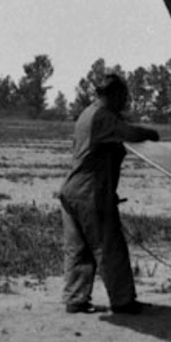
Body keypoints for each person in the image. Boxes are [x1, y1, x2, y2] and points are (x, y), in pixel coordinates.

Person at [59, 74, 160, 314]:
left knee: (78, 249)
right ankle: (123, 301)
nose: (125, 102)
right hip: (89, 193)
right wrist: (151, 133)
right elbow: (131, 133)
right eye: (123, 97)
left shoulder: (88, 113)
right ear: (113, 95)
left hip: (72, 191)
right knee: (109, 246)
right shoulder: (103, 117)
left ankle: (75, 299)